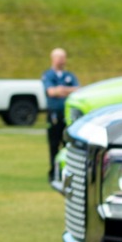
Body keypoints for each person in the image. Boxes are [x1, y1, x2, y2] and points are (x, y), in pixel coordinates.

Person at [42, 47, 79, 181]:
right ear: (53, 59)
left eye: (64, 57)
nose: (62, 60)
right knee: (54, 145)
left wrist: (61, 90)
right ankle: (54, 173)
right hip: (54, 115)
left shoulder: (69, 76)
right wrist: (63, 90)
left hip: (68, 115)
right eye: (59, 57)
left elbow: (77, 90)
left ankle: (68, 173)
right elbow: (51, 92)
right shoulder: (48, 75)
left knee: (68, 144)